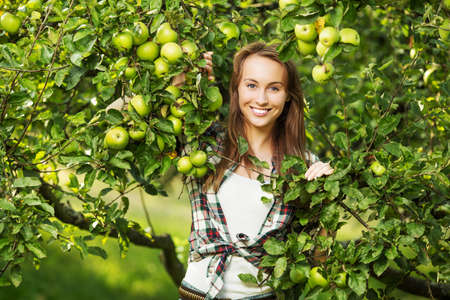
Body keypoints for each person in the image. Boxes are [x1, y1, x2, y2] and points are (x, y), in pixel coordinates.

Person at [178, 42, 334, 300]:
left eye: (274, 88)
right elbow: (120, 114)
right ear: (236, 89)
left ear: (288, 96)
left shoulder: (301, 166)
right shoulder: (206, 145)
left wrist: (327, 198)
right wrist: (180, 80)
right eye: (251, 85)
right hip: (196, 294)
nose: (261, 99)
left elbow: (319, 259)